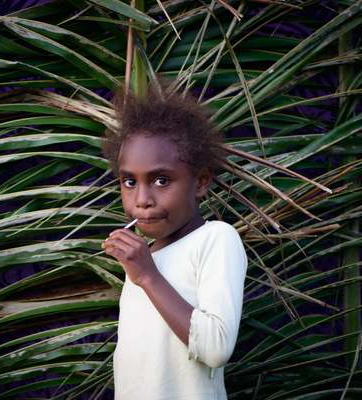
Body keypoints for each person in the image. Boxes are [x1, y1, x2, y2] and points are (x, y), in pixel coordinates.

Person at [101, 85, 247, 400]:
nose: (142, 200)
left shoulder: (216, 238)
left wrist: (148, 276)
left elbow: (216, 348)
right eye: (129, 182)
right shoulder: (144, 259)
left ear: (201, 181)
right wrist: (142, 271)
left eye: (161, 180)